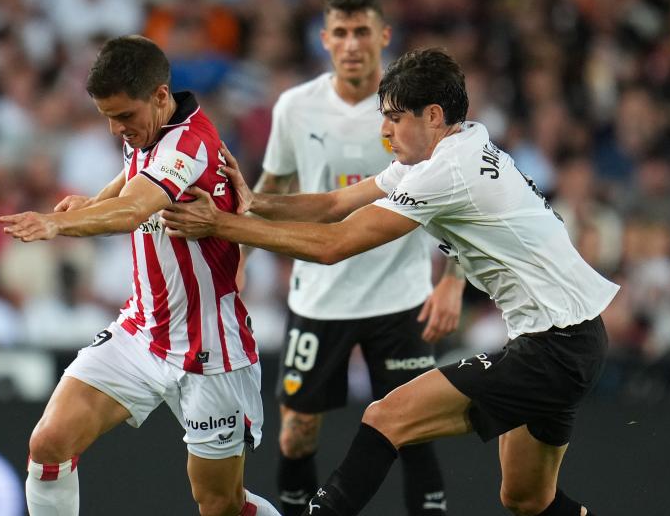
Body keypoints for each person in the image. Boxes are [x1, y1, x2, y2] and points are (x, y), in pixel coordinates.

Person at [161, 48, 619, 516]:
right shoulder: (455, 146)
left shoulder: (447, 172)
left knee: (386, 417)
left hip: (556, 346)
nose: (383, 130)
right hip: (569, 338)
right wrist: (252, 202)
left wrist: (218, 225)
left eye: (395, 118)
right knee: (526, 498)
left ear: (434, 116)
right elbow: (335, 204)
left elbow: (332, 245)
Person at [0, 35, 280, 516]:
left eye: (123, 116)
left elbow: (134, 209)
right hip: (142, 330)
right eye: (106, 116)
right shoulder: (149, 129)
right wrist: (96, 201)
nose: (115, 129)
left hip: (208, 349)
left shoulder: (191, 145)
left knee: (221, 505)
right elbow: (134, 178)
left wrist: (56, 223)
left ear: (159, 95)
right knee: (49, 443)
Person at [254, 0, 460, 516]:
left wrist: (452, 280)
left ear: (384, 35)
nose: (352, 43)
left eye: (362, 31)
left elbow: (462, 196)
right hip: (320, 296)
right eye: (340, 32)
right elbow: (272, 188)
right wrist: (238, 256)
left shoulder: (414, 110)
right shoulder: (295, 108)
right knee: (296, 434)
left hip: (402, 297)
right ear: (324, 39)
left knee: (415, 430)